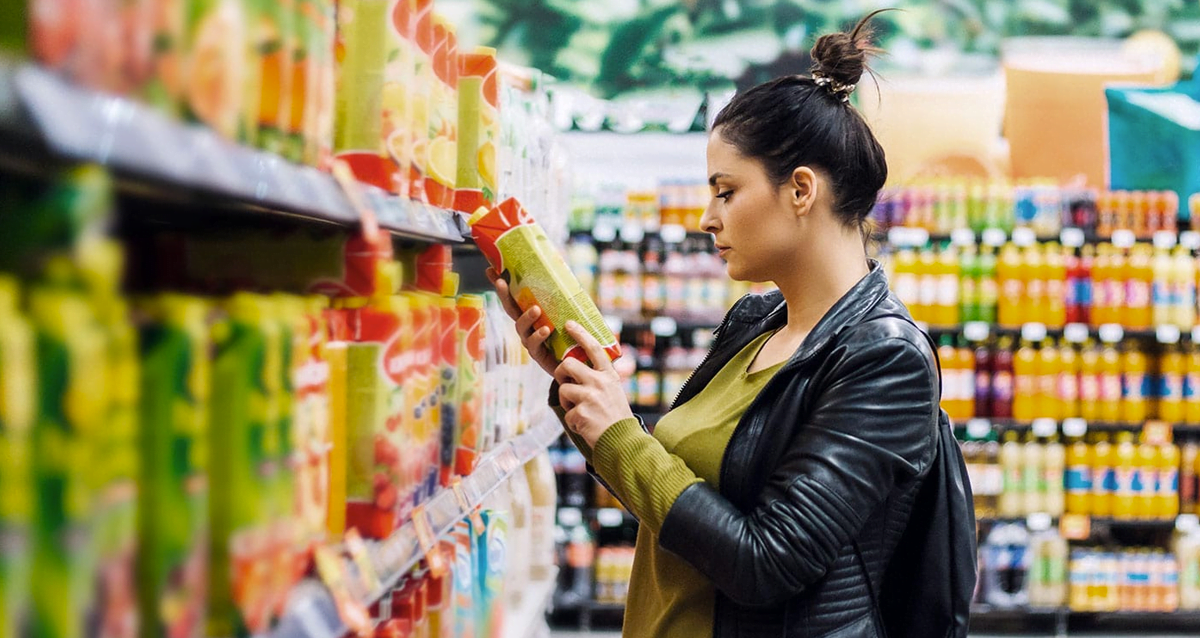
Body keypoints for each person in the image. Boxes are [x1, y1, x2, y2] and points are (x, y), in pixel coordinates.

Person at [489, 12, 942, 638]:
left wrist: (620, 432)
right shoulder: (753, 325)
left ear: (801, 190)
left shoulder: (884, 360)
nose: (707, 217)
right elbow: (674, 488)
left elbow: (768, 561)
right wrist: (582, 384)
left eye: (725, 191)